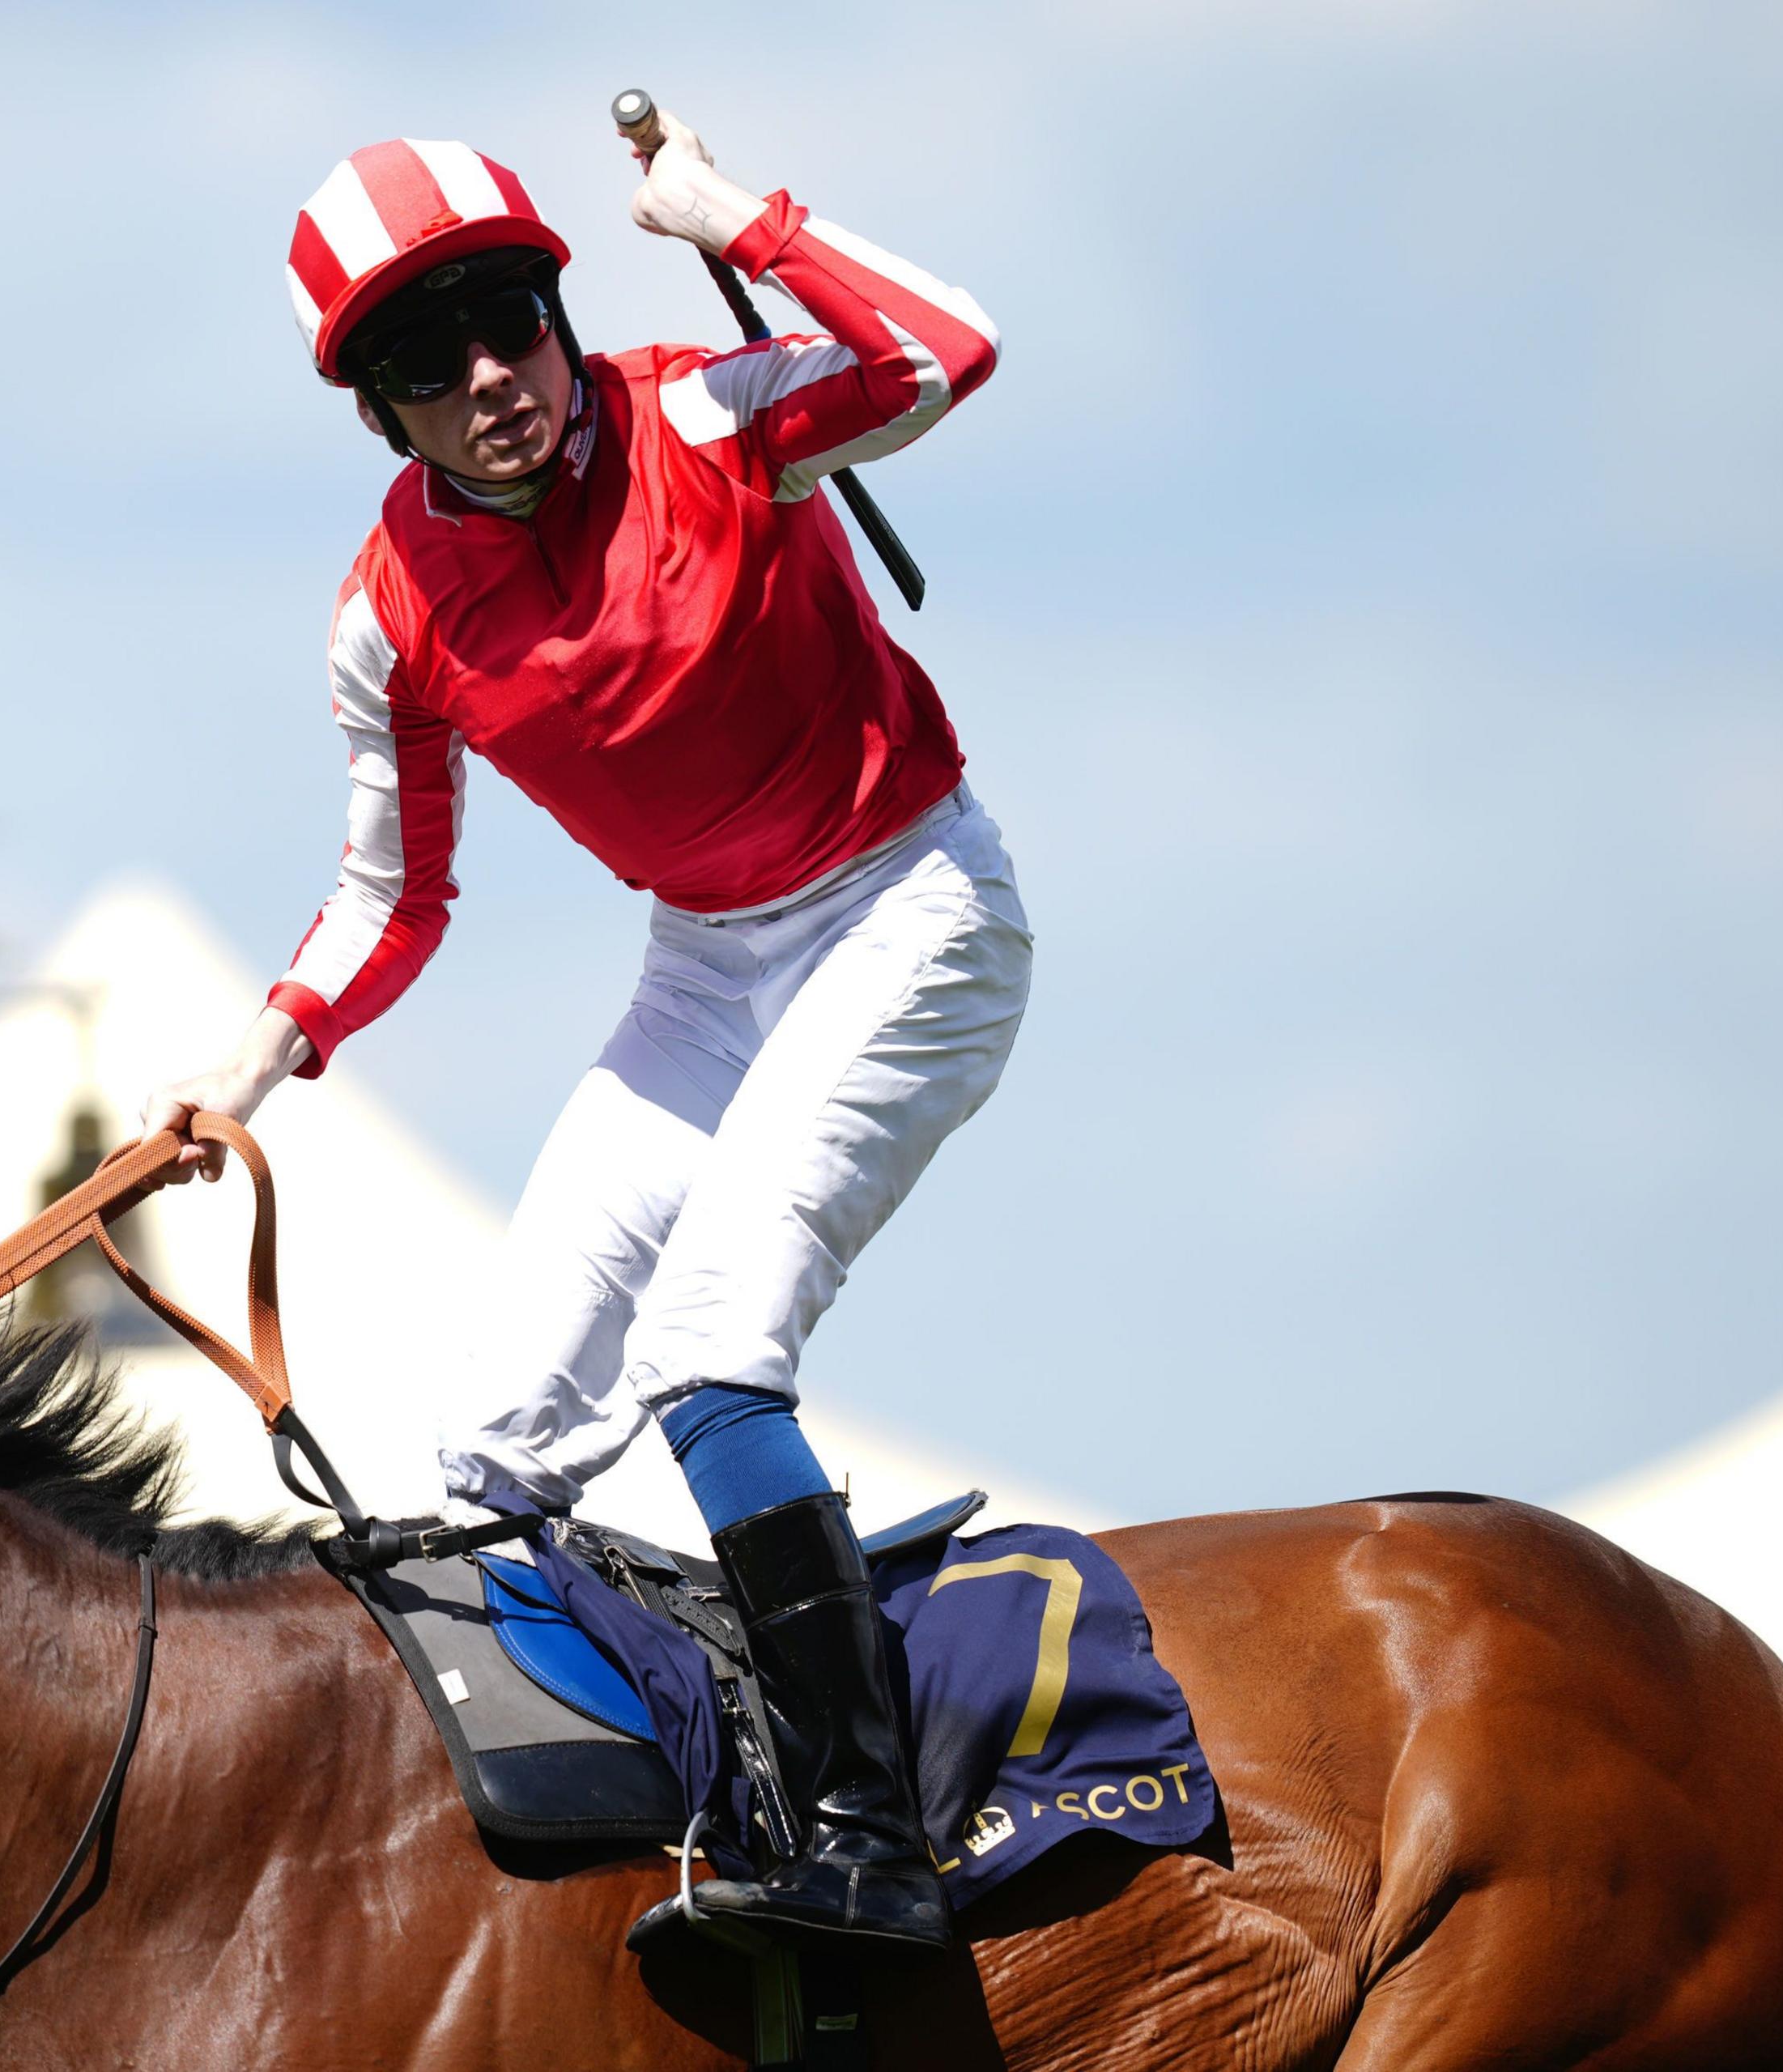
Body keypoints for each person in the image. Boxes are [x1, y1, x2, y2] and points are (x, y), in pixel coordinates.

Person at [146, 114, 1028, 1955]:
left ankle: (871, 1843)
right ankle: (564, 1866)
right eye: (424, 361)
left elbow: (945, 351)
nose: (489, 384)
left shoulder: (709, 414)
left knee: (712, 1351)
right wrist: (260, 1052)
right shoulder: (390, 614)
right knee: (483, 1453)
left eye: (508, 323)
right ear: (379, 415)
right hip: (708, 965)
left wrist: (739, 221)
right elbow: (390, 893)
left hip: (908, 908)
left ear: (562, 311)